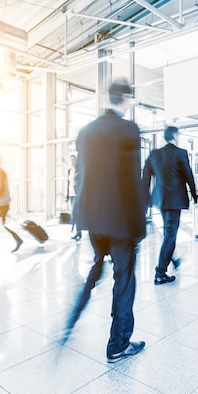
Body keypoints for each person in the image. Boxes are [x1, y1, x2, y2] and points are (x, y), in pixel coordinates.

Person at [65, 78, 146, 363]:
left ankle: (71, 319)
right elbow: (131, 181)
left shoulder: (86, 131)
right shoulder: (128, 130)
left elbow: (81, 175)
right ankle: (118, 344)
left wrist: (80, 213)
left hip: (93, 219)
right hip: (121, 221)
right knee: (124, 281)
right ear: (125, 98)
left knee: (97, 268)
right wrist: (139, 226)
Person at [142, 126, 197, 285]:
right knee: (170, 234)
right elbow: (188, 176)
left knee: (169, 232)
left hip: (160, 199)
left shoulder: (154, 154)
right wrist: (194, 196)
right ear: (175, 136)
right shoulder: (181, 153)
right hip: (175, 200)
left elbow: (145, 178)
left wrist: (145, 200)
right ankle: (160, 272)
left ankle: (171, 258)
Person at [66, 154, 82, 241]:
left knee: (74, 213)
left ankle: (75, 229)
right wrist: (67, 196)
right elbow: (68, 184)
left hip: (77, 194)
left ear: (76, 161)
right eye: (70, 160)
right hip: (71, 194)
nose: (72, 161)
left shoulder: (79, 170)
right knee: (75, 214)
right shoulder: (69, 171)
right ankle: (78, 231)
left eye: (73, 160)